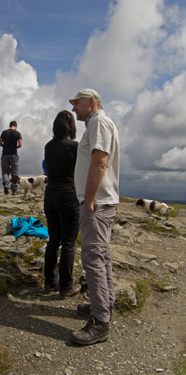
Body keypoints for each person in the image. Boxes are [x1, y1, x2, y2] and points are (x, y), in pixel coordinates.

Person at [70, 89, 120, 346]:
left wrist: (88, 199)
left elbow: (100, 162)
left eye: (76, 102)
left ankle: (100, 322)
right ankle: (105, 304)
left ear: (91, 102)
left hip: (96, 204)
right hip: (101, 202)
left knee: (93, 259)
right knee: (102, 256)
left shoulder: (99, 122)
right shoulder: (97, 123)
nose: (74, 108)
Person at [41, 110, 80, 298]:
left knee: (53, 240)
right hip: (68, 194)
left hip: (50, 195)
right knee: (68, 243)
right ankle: (66, 286)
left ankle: (50, 282)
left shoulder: (48, 146)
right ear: (71, 127)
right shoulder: (75, 146)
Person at [1, 121, 24, 194]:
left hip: (5, 154)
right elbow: (20, 144)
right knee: (14, 172)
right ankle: (14, 190)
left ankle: (5, 183)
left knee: (5, 171)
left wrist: (4, 146)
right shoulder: (17, 133)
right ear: (16, 126)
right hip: (13, 154)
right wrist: (15, 147)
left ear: (9, 126)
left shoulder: (4, 133)